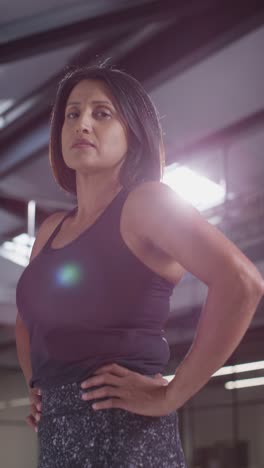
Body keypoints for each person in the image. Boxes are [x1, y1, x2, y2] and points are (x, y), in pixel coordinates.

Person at [15, 64, 263, 468]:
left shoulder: (146, 203)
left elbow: (241, 282)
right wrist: (36, 384)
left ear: (133, 132)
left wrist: (172, 394)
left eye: (102, 113)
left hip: (127, 440)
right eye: (72, 114)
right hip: (57, 442)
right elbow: (27, 320)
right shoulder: (49, 230)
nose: (82, 124)